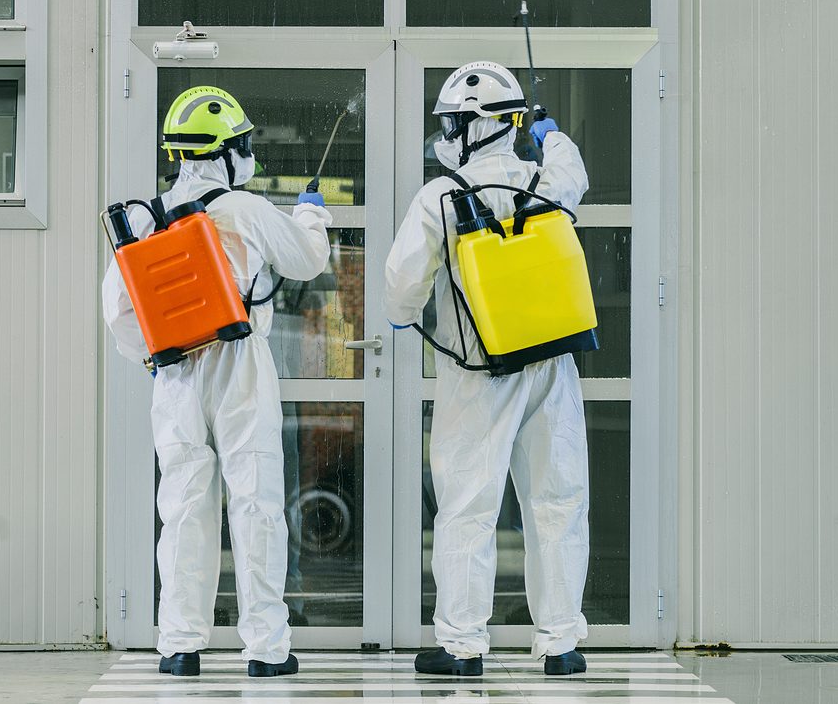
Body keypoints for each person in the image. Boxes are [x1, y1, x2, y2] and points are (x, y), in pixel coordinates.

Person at [102, 86, 331, 677]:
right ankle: (265, 649)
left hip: (175, 374)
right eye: (244, 143)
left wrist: (153, 357)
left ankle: (180, 645)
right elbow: (307, 261)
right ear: (226, 152)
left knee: (182, 506)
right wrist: (310, 211)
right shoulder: (246, 209)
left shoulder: (146, 219)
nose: (249, 152)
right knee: (255, 505)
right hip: (240, 366)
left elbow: (117, 311)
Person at [384, 62, 591, 677]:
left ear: (474, 127)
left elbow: (400, 286)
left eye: (451, 123)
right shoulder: (546, 184)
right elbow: (572, 171)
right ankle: (560, 644)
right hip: (552, 364)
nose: (445, 134)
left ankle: (462, 646)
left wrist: (403, 317)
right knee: (556, 502)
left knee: (468, 507)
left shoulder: (441, 198)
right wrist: (549, 133)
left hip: (476, 374)